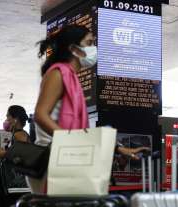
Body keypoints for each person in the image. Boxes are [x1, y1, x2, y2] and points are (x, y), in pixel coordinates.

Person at [31, 25, 148, 193]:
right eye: (89, 42)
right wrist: (71, 144)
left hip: (65, 158)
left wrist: (119, 149)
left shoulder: (71, 78)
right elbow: (41, 115)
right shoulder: (57, 74)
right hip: (51, 162)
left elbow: (79, 133)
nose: (94, 48)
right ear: (74, 49)